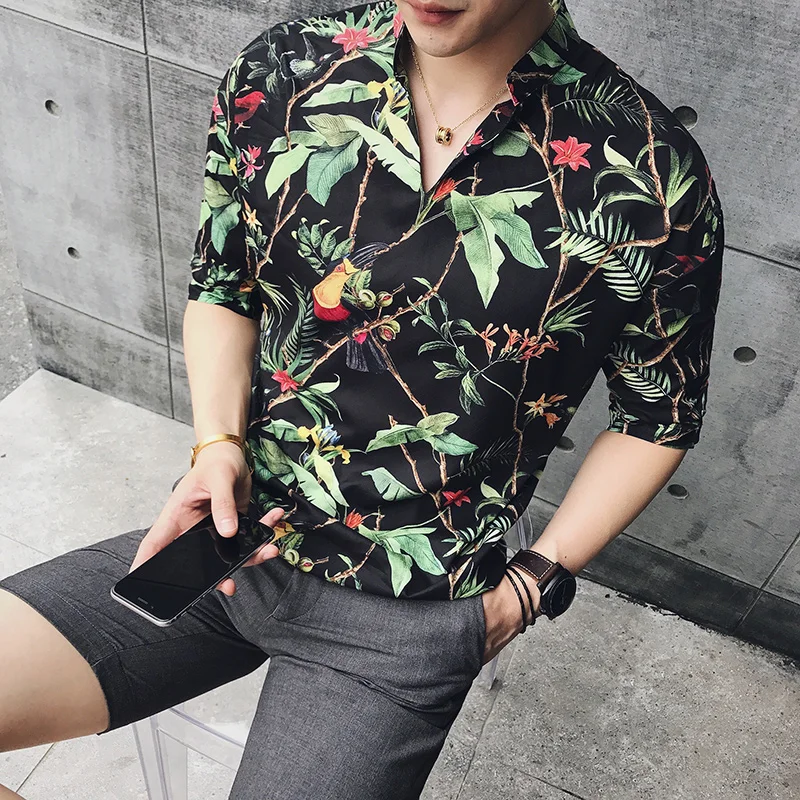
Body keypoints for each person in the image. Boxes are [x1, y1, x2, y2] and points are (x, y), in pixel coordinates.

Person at [0, 0, 724, 797]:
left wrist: (529, 586)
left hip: (408, 615)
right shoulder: (287, 68)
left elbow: (658, 418)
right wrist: (216, 447)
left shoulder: (650, 174)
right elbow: (223, 287)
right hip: (233, 541)